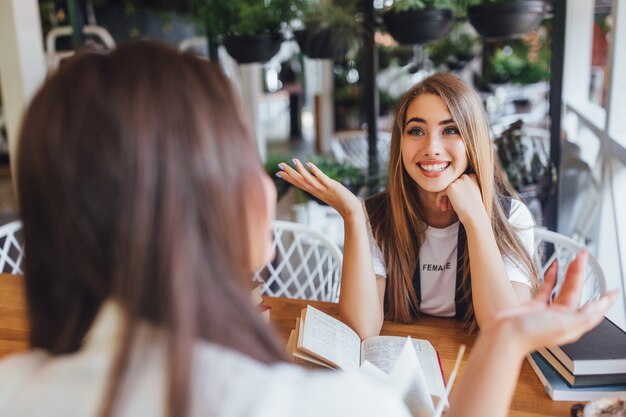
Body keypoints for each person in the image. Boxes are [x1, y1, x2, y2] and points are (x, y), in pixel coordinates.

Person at [0, 41, 616, 417]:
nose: (270, 186)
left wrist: (481, 234)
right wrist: (507, 342)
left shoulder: (13, 388)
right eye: (246, 159)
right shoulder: (326, 405)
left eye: (452, 129)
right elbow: (361, 329)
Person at [277, 73, 538, 338]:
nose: (432, 148)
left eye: (450, 130)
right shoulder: (379, 216)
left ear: (473, 139)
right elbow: (360, 329)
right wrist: (354, 215)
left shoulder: (511, 216)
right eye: (416, 131)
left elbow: (505, 330)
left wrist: (476, 220)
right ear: (400, 142)